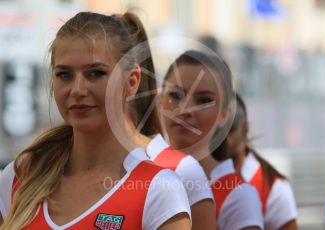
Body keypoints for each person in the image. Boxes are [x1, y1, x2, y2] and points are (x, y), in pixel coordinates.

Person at [0, 12, 191, 230]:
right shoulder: (20, 176)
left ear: (132, 82)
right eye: (64, 75)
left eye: (95, 73)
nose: (78, 90)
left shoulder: (159, 189)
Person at [160, 50, 264, 230]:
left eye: (204, 100)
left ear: (225, 115)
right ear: (160, 100)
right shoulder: (135, 173)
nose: (185, 109)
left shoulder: (238, 197)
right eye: (176, 95)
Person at [212, 94, 298, 230]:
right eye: (215, 131)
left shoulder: (274, 189)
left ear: (246, 129)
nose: (221, 140)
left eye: (228, 130)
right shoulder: (194, 178)